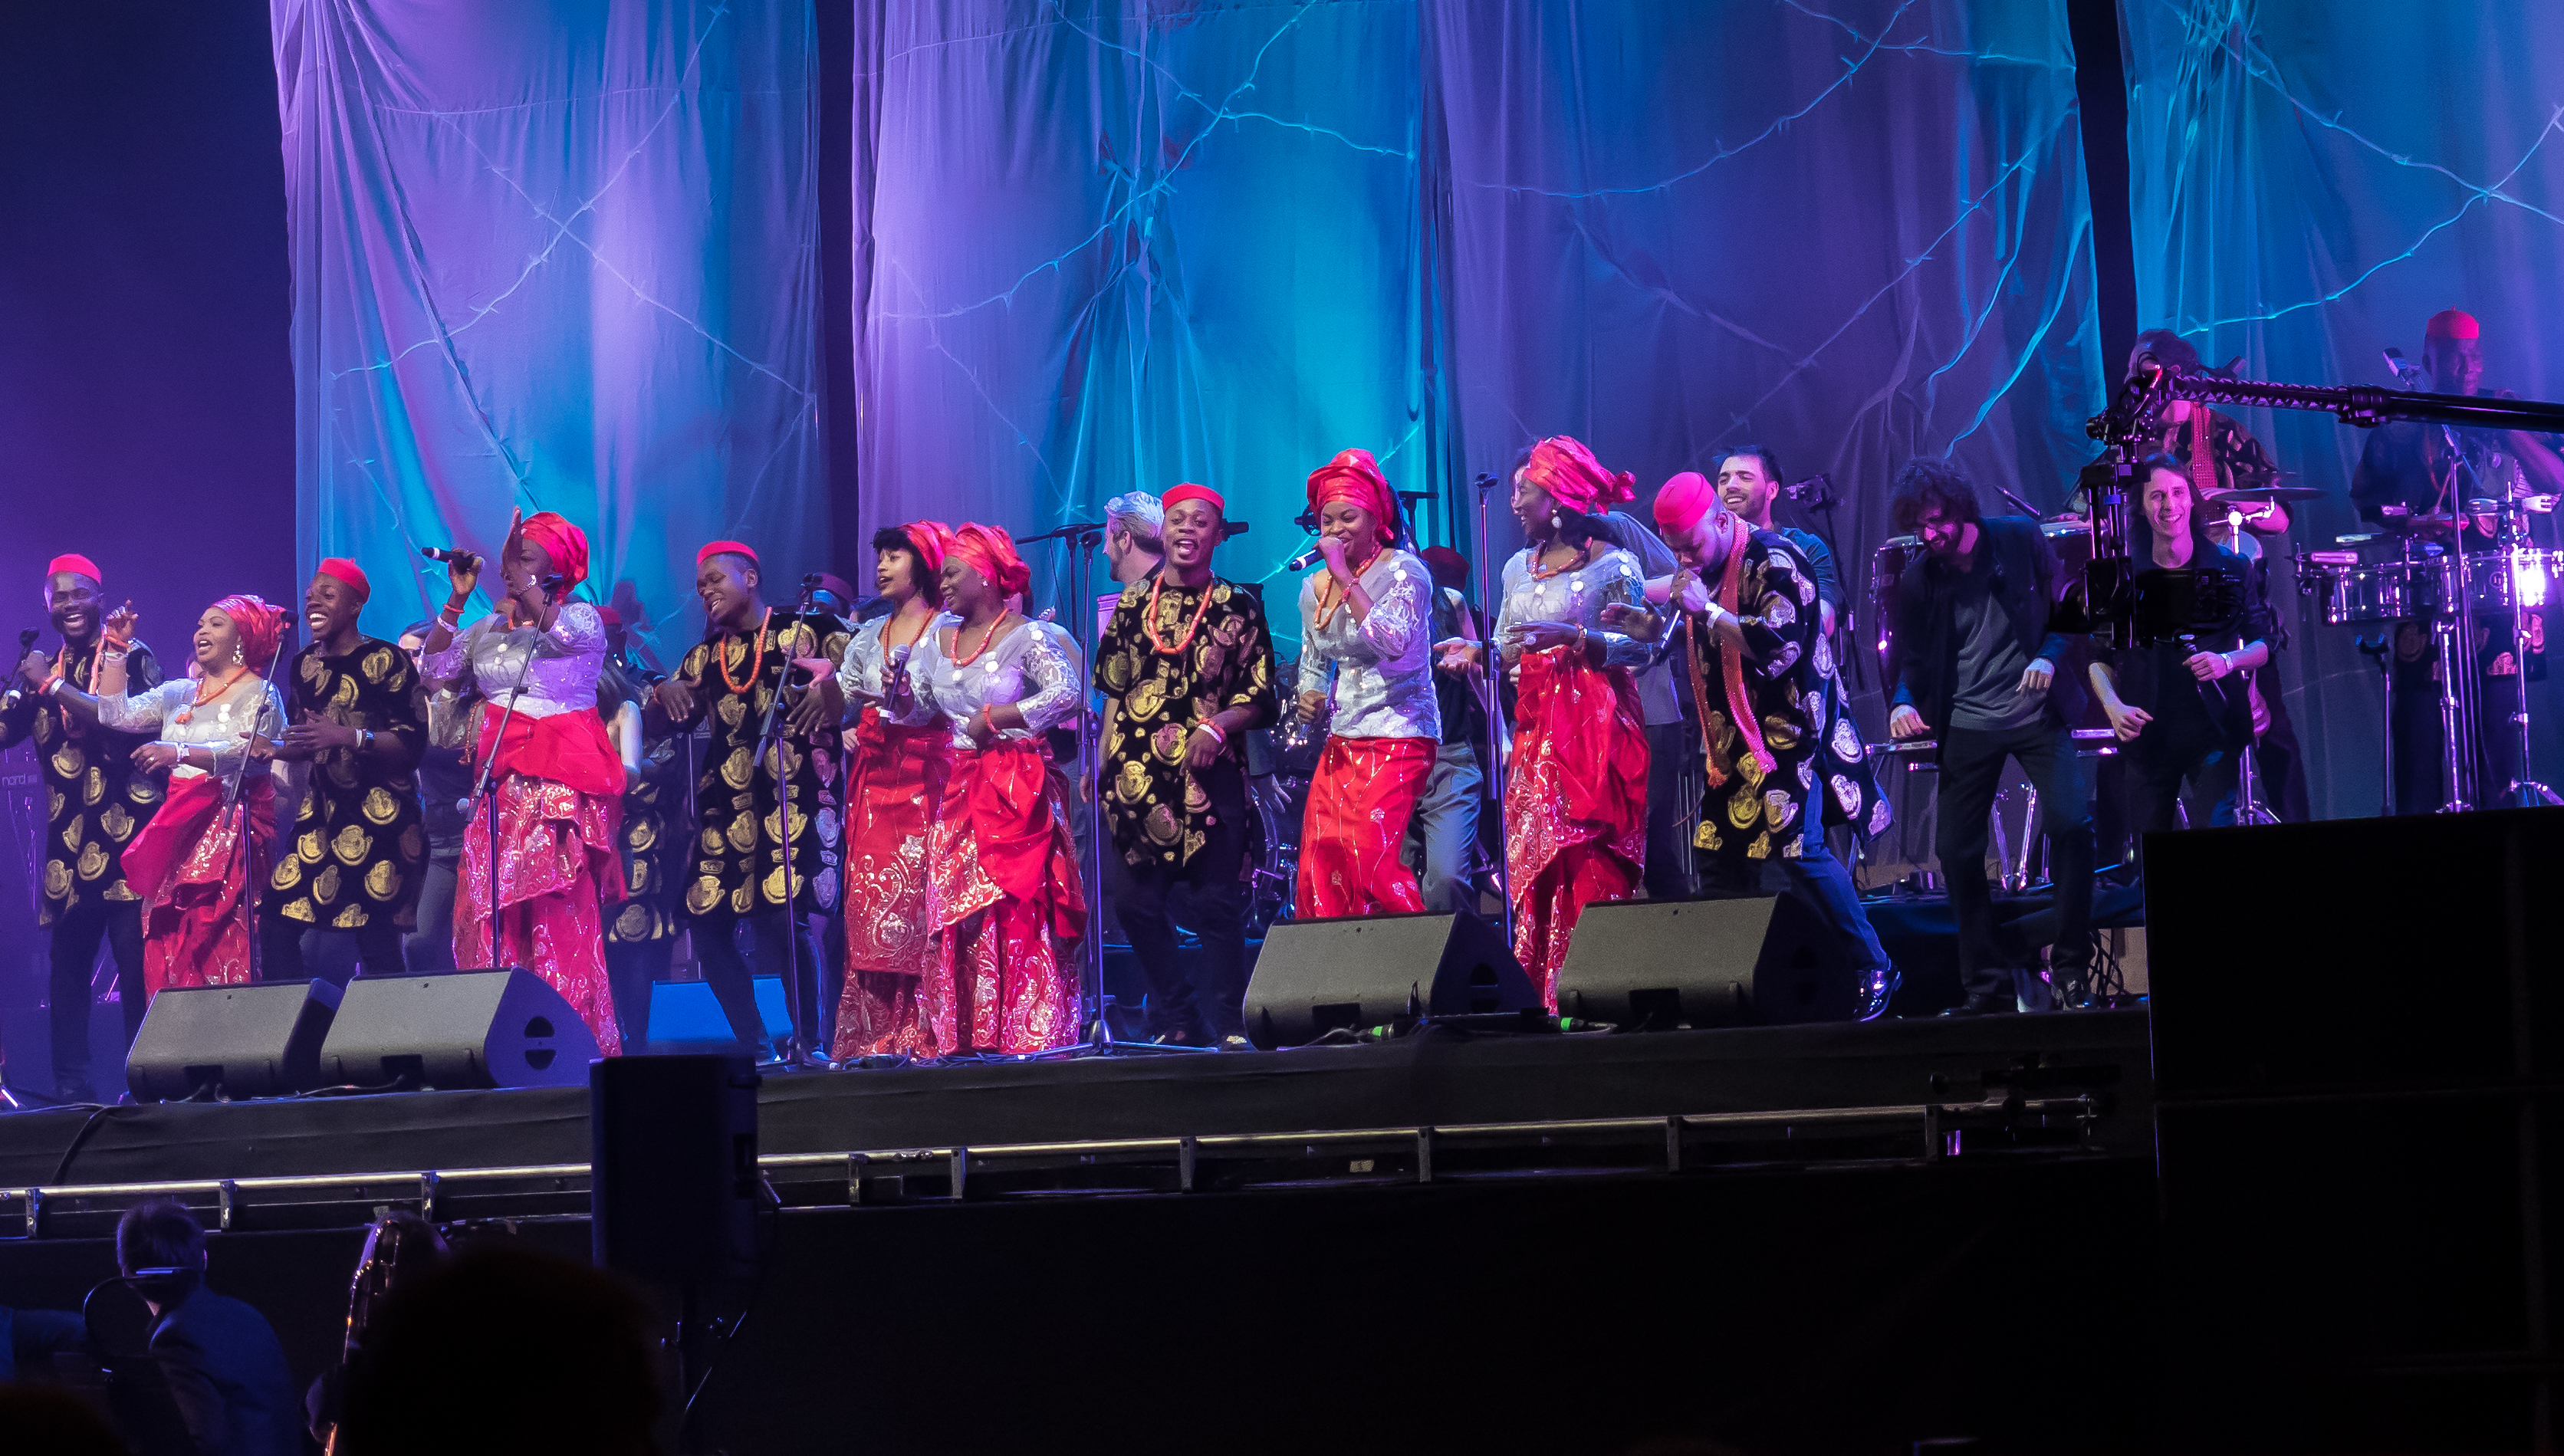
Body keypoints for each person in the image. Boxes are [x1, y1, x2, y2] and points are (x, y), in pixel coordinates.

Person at [1634, 472, 1897, 1016]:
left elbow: (1776, 645)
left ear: (1721, 520)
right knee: (1717, 860)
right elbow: (1694, 635)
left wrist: (1707, 609)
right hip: (1733, 745)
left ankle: (1874, 964)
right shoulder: (1705, 568)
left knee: (1801, 854)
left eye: (1691, 546)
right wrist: (1648, 627)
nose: (1684, 558)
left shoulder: (1776, 560)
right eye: (1675, 550)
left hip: (1791, 738)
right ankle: (1727, 984)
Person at [1437, 436, 1652, 1008]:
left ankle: (1598, 988)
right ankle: (1543, 994)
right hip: (1537, 734)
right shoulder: (1516, 568)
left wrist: (1577, 638)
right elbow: (1509, 644)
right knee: (1539, 858)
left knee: (1589, 858)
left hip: (1596, 731)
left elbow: (1642, 649)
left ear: (1556, 499)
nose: (1513, 503)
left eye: (1523, 491)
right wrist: (1476, 651)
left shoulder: (1614, 565)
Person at [1885, 459, 2093, 1016]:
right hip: (1969, 722)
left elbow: (2068, 612)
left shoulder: (2019, 539)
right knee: (1955, 850)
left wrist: (2048, 658)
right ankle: (1987, 984)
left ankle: (2072, 971)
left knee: (2072, 825)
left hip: (2037, 714)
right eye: (1919, 527)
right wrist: (1902, 701)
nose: (1930, 535)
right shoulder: (1919, 578)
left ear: (1960, 508)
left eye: (1937, 521)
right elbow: (1914, 658)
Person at [2079, 330, 2310, 823]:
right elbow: (2084, 510)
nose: (2139, 392)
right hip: (2152, 611)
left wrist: (2226, 504)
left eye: (2148, 381)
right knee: (2128, 743)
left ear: (2177, 380)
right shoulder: (2129, 440)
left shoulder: (2222, 433)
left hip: (2221, 605)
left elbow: (2280, 516)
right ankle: (2126, 857)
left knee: (2270, 729)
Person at [419, 510, 626, 1053]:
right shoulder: (488, 629)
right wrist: (457, 599)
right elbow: (433, 672)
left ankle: (571, 1039)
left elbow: (557, 628)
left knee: (553, 909)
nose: (510, 569)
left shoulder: (580, 620)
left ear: (558, 566)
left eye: (525, 558)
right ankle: (502, 1040)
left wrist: (522, 578)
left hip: (557, 785)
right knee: (494, 909)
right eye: (509, 559)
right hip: (499, 789)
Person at [2351, 307, 2564, 812]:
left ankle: (2500, 842)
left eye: (2476, 357)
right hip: (2427, 594)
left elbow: (2556, 480)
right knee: (2420, 737)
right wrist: (2414, 524)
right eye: (2454, 358)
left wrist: (2509, 430)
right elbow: (2368, 500)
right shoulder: (2403, 421)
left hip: (2499, 597)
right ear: (2428, 361)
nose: (2469, 368)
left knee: (2499, 738)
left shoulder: (2502, 409)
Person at [646, 541, 850, 1059]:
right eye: (700, 587)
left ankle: (811, 1043)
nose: (706, 592)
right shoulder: (703, 656)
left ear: (751, 578)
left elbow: (861, 691)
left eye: (715, 580)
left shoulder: (812, 629)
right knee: (705, 920)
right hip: (727, 810)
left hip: (796, 801)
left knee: (785, 918)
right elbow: (660, 725)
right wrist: (661, 691)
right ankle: (757, 1046)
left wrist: (832, 687)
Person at [1095, 484, 1280, 1046]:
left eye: (1200, 522)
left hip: (1208, 774)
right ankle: (1181, 1016)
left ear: (1217, 534)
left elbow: (1261, 697)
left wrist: (1217, 725)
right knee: (1134, 904)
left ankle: (1229, 1024)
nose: (1187, 529)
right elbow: (1115, 690)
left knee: (1216, 904)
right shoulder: (1132, 604)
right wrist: (1100, 761)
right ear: (1164, 530)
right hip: (1137, 778)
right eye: (1177, 519)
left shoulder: (1238, 605)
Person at [48, 596, 291, 999]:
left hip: (230, 826)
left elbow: (245, 753)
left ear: (242, 638)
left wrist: (178, 752)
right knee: (171, 934)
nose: (202, 631)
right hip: (178, 827)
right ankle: (182, 1029)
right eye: (200, 624)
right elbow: (114, 715)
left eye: (215, 624)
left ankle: (234, 1021)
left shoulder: (261, 693)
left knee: (221, 930)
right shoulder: (179, 692)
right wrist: (117, 650)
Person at [909, 524, 1087, 1053]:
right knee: (958, 906)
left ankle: (1024, 1028)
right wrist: (891, 696)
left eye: (952, 573)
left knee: (1015, 901)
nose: (942, 583)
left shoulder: (1027, 635)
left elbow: (1067, 692)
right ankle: (967, 1030)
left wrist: (999, 717)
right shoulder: (938, 638)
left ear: (986, 575)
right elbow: (920, 708)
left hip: (1015, 784)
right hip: (961, 786)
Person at [2, 554, 164, 1101]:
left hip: (129, 836)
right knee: (67, 969)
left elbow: (123, 721)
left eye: (80, 594)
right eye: (59, 597)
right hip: (68, 846)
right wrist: (22, 684)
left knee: (135, 964)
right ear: (46, 606)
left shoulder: (130, 655)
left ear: (100, 598)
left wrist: (47, 683)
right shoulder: (38, 668)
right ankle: (72, 1087)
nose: (70, 604)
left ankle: (147, 1083)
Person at [2089, 457, 2276, 847]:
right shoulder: (2123, 577)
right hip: (2148, 734)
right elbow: (2098, 658)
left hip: (2213, 731)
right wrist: (2113, 706)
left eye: (2177, 493)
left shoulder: (2231, 567)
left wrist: (2227, 661)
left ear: (2191, 500)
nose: (2169, 505)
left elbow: (2263, 646)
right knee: (2150, 857)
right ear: (2141, 507)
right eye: (2157, 496)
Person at [258, 560, 425, 984]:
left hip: (382, 820)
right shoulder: (303, 664)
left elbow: (412, 744)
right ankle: (300, 1025)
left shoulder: (387, 659)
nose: (313, 602)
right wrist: (273, 748)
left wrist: (349, 737)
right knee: (275, 924)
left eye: (327, 595)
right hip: (321, 819)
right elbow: (310, 739)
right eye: (310, 595)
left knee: (377, 943)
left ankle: (392, 1029)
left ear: (355, 606)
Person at [1291, 449, 1439, 919]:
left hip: (1401, 732)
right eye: (1326, 520)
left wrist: (1343, 576)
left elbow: (1390, 641)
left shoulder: (1405, 572)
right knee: (1323, 853)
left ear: (1377, 519)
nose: (1335, 529)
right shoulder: (1314, 588)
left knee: (1367, 853)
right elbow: (1315, 657)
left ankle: (1414, 952)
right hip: (1344, 736)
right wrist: (1310, 693)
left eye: (1348, 518)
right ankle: (1339, 956)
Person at [833, 521, 959, 1059]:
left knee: (921, 901)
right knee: (870, 901)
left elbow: (952, 701)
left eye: (895, 556)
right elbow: (843, 695)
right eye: (880, 556)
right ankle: (872, 1031)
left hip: (928, 778)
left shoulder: (948, 630)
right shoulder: (868, 634)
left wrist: (904, 701)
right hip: (875, 782)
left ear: (923, 563)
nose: (882, 566)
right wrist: (826, 694)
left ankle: (924, 1029)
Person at [117, 1198, 301, 1456]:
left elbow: (207, 1442)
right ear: (204, 1259)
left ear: (127, 1275)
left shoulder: (173, 1338)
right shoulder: (245, 1313)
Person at [1589, 510, 1701, 902]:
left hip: (1648, 710)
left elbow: (1681, 581)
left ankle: (1682, 930)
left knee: (1649, 848)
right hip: (1587, 719)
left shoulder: (1615, 526)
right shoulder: (1537, 556)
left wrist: (1626, 587)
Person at [597, 606, 684, 1050]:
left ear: (619, 636)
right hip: (594, 826)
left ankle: (638, 1041)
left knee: (635, 933)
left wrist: (616, 768)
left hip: (640, 827)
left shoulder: (647, 686)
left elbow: (668, 759)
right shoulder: (569, 696)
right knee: (597, 938)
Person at [1403, 545, 1487, 913]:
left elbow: (1480, 669)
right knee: (1393, 885)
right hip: (1387, 758)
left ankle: (1457, 949)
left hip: (1447, 754)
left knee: (1447, 880)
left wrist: (1499, 734)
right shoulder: (1354, 602)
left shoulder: (1449, 601)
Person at [399, 620, 472, 975]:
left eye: (416, 653)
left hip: (476, 837)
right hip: (437, 844)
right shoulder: (411, 709)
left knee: (472, 944)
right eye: (402, 655)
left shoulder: (475, 705)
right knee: (417, 943)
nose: (411, 663)